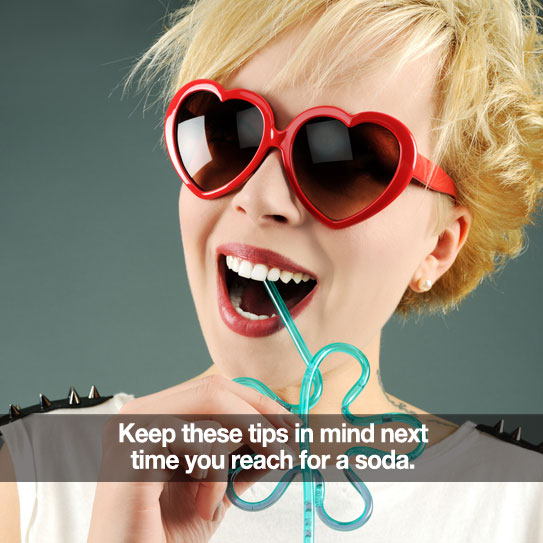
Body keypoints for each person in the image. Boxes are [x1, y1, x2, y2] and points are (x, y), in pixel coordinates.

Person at [1, 0, 542, 541]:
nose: (261, 198)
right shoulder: (26, 482)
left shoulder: (524, 507)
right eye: (228, 132)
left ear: (439, 246)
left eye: (341, 159)